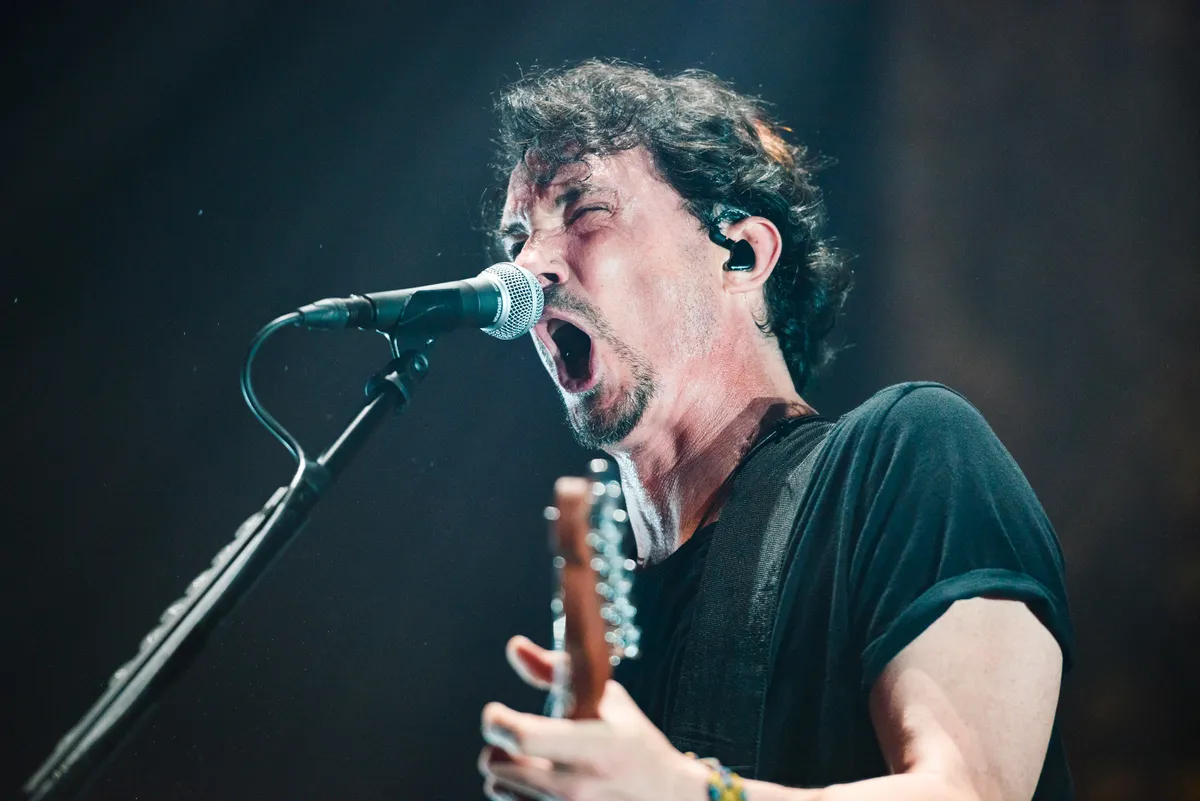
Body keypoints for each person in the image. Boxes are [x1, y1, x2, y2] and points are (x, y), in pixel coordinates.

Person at [477, 60, 1072, 801]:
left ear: (742, 253)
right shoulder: (607, 619)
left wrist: (683, 792)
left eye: (585, 211)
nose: (528, 268)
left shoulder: (911, 453)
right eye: (516, 240)